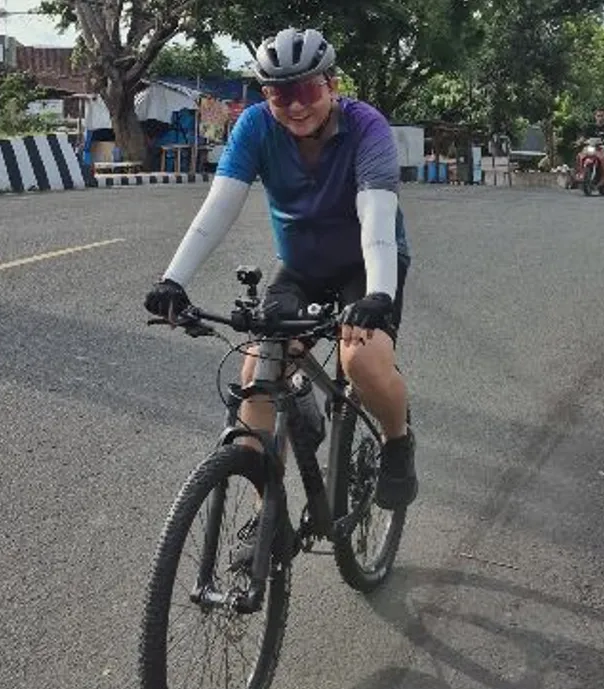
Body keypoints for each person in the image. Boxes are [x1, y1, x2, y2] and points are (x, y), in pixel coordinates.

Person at [144, 29, 417, 528]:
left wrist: (378, 293)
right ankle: (264, 518)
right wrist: (173, 281)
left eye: (307, 90)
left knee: (361, 359)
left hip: (366, 264)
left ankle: (398, 440)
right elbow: (218, 208)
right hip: (300, 266)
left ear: (332, 85)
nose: (295, 106)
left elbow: (376, 217)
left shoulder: (366, 127)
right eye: (279, 94)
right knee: (258, 374)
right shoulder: (254, 126)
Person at [576, 108, 604, 186]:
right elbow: (583, 136)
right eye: (598, 116)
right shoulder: (590, 127)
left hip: (603, 148)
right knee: (579, 156)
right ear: (595, 117)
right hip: (591, 147)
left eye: (602, 116)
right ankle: (580, 173)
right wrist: (579, 141)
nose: (600, 118)